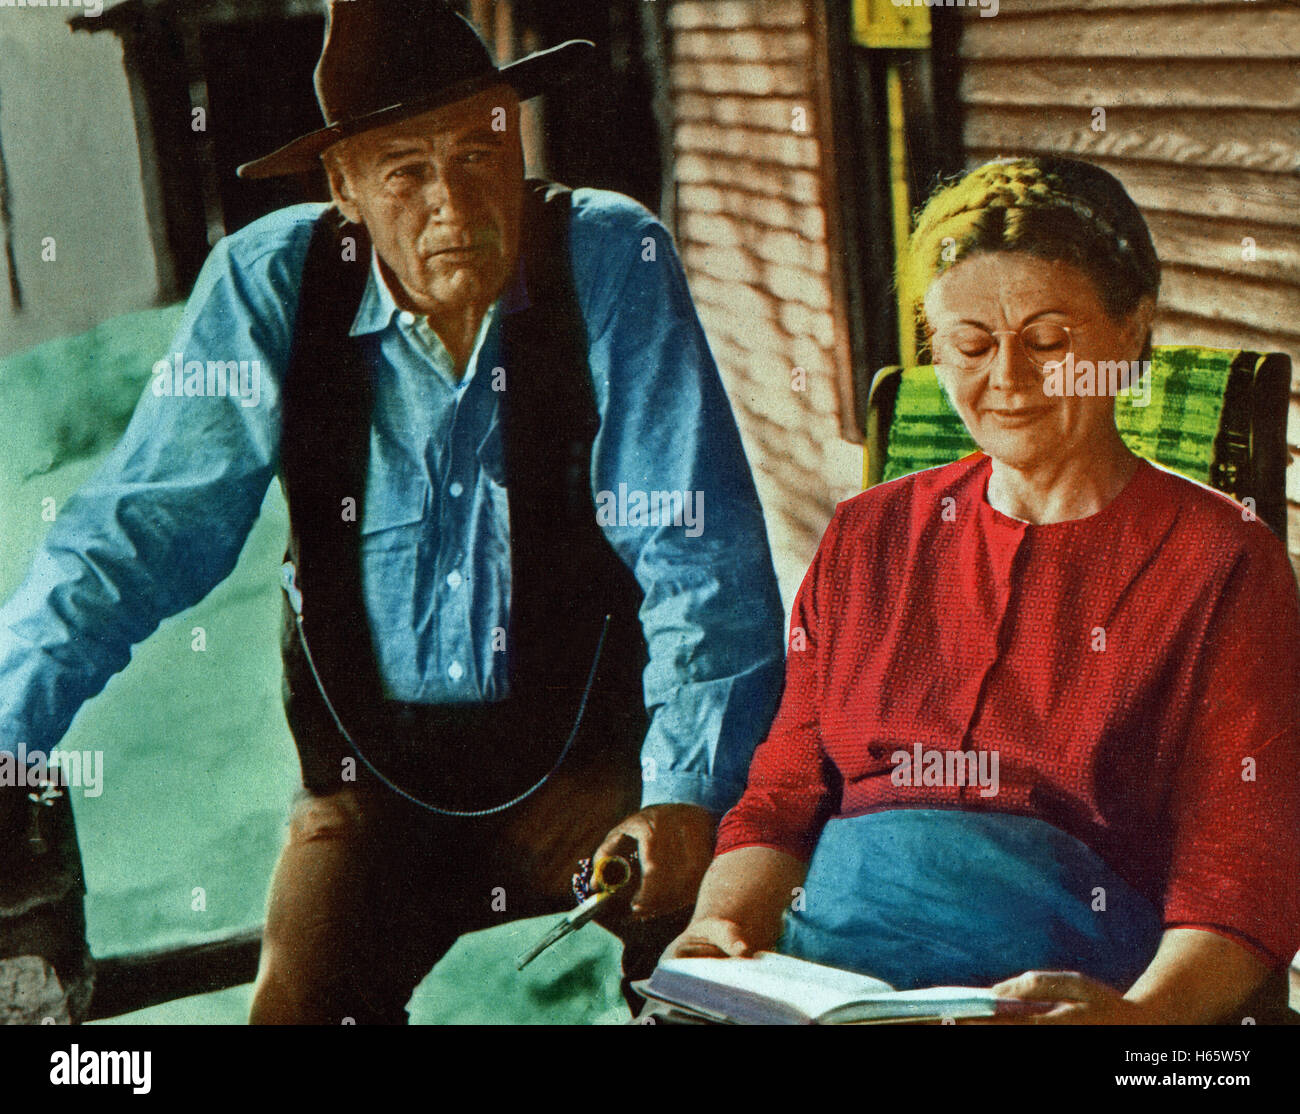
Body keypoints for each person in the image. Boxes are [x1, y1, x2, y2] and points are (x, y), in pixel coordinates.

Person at [0, 0, 784, 1024]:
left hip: (594, 774)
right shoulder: (270, 285)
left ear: (516, 138)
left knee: (715, 980)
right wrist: (8, 730)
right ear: (345, 187)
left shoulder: (607, 259)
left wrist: (683, 787)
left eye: (475, 152)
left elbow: (697, 554)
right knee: (297, 1011)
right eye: (405, 171)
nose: (451, 204)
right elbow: (132, 536)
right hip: (371, 795)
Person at [664, 156, 1300, 1024]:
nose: (1007, 377)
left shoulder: (1221, 561)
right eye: (969, 344)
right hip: (834, 981)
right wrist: (717, 931)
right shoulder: (866, 535)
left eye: (1047, 342)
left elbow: (1244, 870)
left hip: (1063, 988)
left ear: (1131, 332)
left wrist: (1144, 1021)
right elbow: (783, 795)